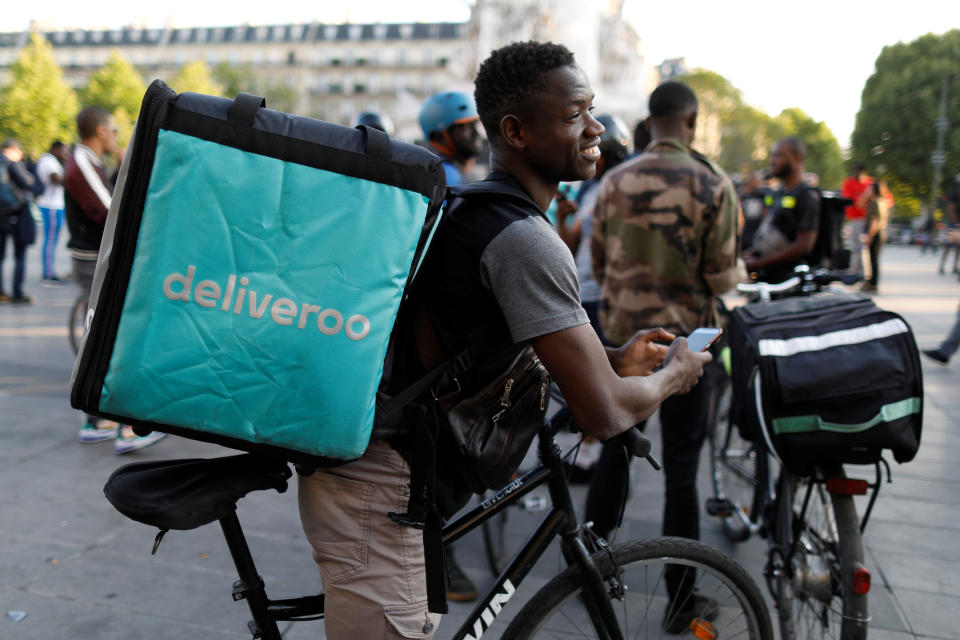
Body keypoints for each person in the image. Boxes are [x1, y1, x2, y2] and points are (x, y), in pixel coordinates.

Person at [296, 41, 710, 640]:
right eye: (573, 115)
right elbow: (607, 412)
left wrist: (612, 357)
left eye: (592, 109)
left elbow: (483, 339)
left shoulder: (475, 208)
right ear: (514, 130)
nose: (595, 127)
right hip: (381, 487)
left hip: (377, 474)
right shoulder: (523, 238)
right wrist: (676, 371)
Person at [589, 81, 740, 632]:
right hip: (688, 348)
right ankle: (681, 599)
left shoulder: (614, 180)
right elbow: (722, 276)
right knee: (681, 469)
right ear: (693, 121)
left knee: (614, 451)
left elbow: (599, 261)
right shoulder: (713, 182)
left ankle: (588, 575)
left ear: (650, 123)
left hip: (623, 341)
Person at [65, 106, 166, 453]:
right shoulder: (82, 163)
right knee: (117, 337)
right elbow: (113, 209)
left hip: (94, 257)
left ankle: (100, 420)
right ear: (100, 131)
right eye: (113, 130)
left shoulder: (89, 162)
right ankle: (124, 425)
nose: (116, 136)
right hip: (96, 259)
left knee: (106, 337)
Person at [554, 113, 631, 339]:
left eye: (594, 151)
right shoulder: (589, 192)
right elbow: (571, 247)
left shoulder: (620, 190)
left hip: (606, 300)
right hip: (583, 296)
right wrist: (562, 218)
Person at [742, 138, 820, 284]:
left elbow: (804, 245)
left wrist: (758, 263)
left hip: (789, 285)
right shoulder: (778, 193)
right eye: (772, 155)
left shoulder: (807, 196)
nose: (772, 160)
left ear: (796, 158)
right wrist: (750, 256)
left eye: (779, 155)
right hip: (766, 280)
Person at [0, 139, 39, 304]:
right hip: (16, 214)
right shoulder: (13, 164)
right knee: (19, 256)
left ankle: (1, 292)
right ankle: (17, 292)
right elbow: (32, 184)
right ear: (13, 150)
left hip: (1, 216)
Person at [418, 91, 484, 186]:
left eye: (475, 124)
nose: (476, 133)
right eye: (465, 127)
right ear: (438, 136)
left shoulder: (459, 173)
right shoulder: (445, 176)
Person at [35, 141, 70, 282]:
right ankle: (48, 273)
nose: (65, 154)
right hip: (51, 206)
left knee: (52, 241)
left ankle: (49, 271)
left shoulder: (50, 160)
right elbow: (58, 179)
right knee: (50, 241)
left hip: (54, 205)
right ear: (56, 149)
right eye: (64, 151)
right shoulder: (48, 160)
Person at [840, 163, 872, 277]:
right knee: (856, 246)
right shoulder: (849, 182)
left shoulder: (870, 183)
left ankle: (863, 272)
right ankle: (856, 271)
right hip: (856, 219)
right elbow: (848, 200)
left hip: (868, 220)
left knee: (863, 247)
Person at [862, 180, 892, 292]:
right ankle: (873, 282)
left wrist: (869, 236)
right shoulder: (883, 202)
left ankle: (873, 283)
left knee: (872, 259)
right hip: (881, 232)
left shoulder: (874, 202)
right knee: (875, 259)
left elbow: (874, 220)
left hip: (874, 232)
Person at [739, 170, 768, 251]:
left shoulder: (762, 195)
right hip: (745, 229)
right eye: (755, 180)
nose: (757, 183)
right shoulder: (742, 195)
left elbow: (766, 210)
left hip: (757, 229)